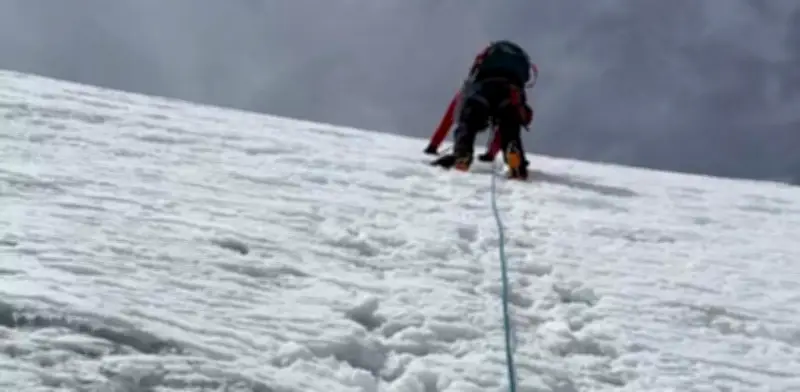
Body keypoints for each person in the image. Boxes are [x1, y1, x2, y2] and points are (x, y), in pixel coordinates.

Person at [427, 40, 537, 180]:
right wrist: (490, 154)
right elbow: (500, 133)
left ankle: (462, 154)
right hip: (511, 93)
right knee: (509, 128)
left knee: (468, 121)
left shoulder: (471, 86)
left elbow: (449, 118)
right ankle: (515, 159)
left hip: (481, 92)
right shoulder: (515, 82)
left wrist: (433, 146)